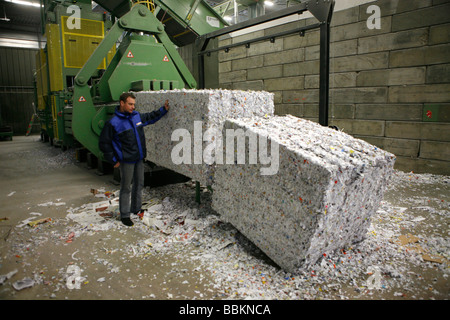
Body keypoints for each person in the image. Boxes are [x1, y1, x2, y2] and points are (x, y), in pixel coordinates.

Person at [99, 92, 169, 226]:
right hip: (126, 161)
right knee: (126, 188)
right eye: (130, 104)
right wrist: (113, 160)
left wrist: (163, 110)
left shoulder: (136, 116)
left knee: (139, 184)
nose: (132, 107)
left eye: (134, 104)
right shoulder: (113, 123)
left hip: (139, 158)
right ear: (122, 103)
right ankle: (124, 215)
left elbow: (150, 117)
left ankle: (136, 209)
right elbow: (104, 143)